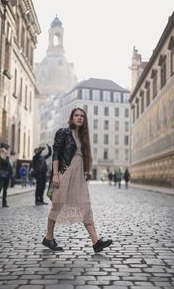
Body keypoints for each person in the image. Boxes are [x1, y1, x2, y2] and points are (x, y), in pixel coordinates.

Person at [42, 108, 113, 253]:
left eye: (82, 116)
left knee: (86, 206)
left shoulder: (83, 136)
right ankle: (48, 238)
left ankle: (96, 242)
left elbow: (83, 156)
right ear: (71, 118)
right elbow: (55, 154)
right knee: (57, 205)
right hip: (64, 173)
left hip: (78, 176)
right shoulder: (63, 132)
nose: (79, 118)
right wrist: (55, 175)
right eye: (76, 115)